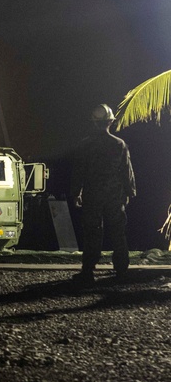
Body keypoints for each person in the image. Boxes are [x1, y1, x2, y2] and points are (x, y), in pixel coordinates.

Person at [70, 103, 136, 283]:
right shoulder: (119, 145)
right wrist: (129, 193)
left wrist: (76, 193)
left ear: (94, 123)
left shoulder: (85, 145)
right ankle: (121, 271)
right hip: (115, 196)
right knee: (117, 232)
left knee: (92, 232)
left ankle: (88, 271)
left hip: (93, 196)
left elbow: (79, 172)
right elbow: (126, 171)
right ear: (110, 122)